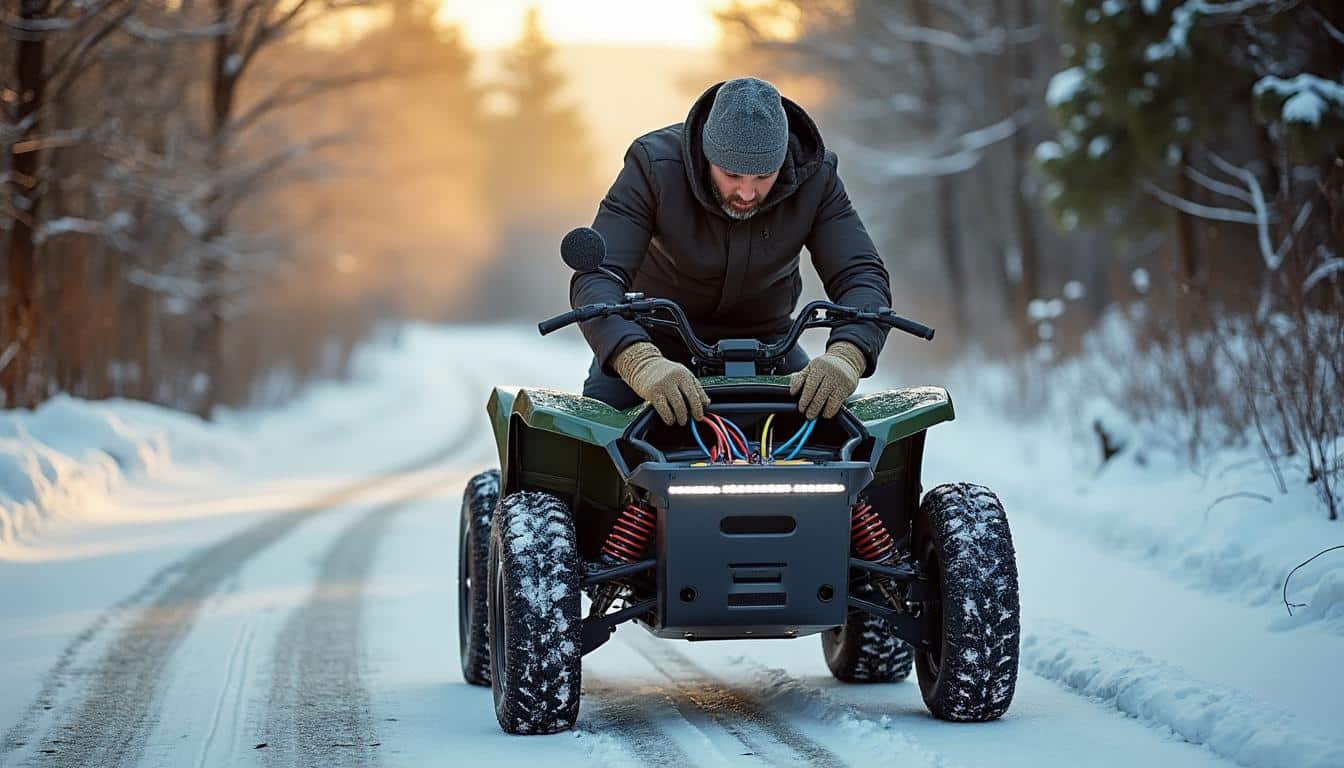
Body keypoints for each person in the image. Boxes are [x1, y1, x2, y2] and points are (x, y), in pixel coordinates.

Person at [573, 77, 891, 426]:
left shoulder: (816, 178)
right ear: (706, 154)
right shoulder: (653, 168)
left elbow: (860, 274)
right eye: (732, 174)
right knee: (594, 445)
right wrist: (638, 361)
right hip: (654, 346)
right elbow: (598, 276)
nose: (747, 192)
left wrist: (847, 355)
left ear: (783, 160)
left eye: (764, 177)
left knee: (848, 442)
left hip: (770, 349)